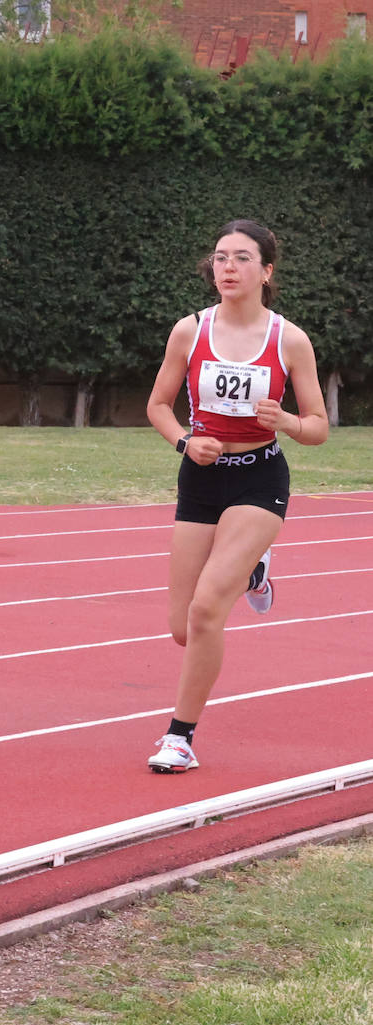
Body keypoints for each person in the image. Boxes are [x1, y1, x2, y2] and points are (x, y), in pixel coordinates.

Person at [144, 219, 327, 773]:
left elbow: (319, 425)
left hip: (259, 479)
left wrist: (288, 421)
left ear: (266, 272)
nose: (228, 267)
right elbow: (156, 405)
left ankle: (180, 737)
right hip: (201, 479)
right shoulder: (189, 331)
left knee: (205, 612)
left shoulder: (288, 339)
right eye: (221, 257)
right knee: (183, 628)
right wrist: (184, 441)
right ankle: (254, 572)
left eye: (242, 258)